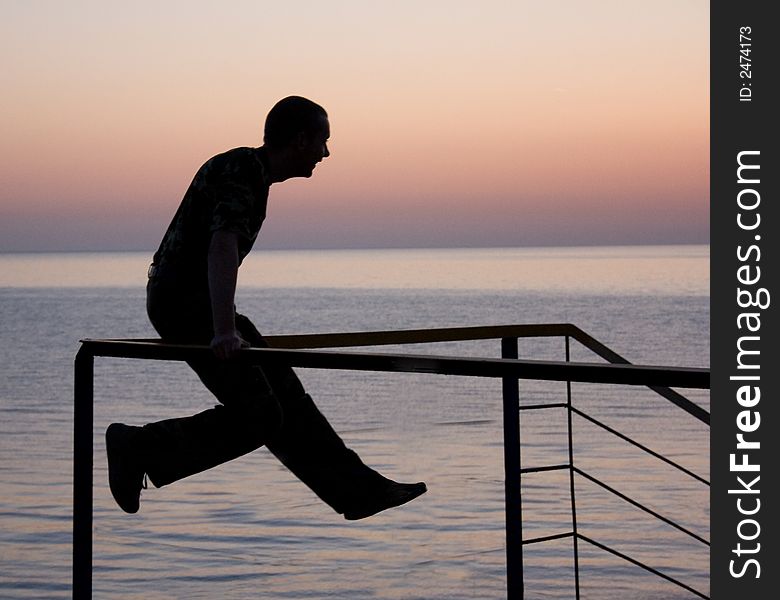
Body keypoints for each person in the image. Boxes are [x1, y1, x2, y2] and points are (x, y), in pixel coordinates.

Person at [106, 96, 426, 519]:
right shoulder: (242, 173)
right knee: (260, 414)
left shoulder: (249, 172)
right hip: (183, 306)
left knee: (287, 398)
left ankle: (358, 491)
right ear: (299, 140)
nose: (326, 153)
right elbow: (222, 245)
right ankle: (137, 446)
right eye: (322, 141)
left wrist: (228, 322)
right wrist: (223, 331)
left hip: (194, 303)